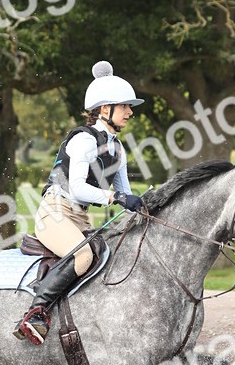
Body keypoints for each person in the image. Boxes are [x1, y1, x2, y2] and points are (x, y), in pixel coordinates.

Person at [13, 60, 147, 345]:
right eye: (124, 106)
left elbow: (125, 193)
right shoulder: (83, 141)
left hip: (80, 218)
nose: (130, 112)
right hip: (55, 213)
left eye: (128, 107)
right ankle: (35, 313)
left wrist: (143, 204)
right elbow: (77, 188)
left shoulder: (118, 149)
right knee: (83, 256)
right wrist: (115, 197)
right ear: (104, 109)